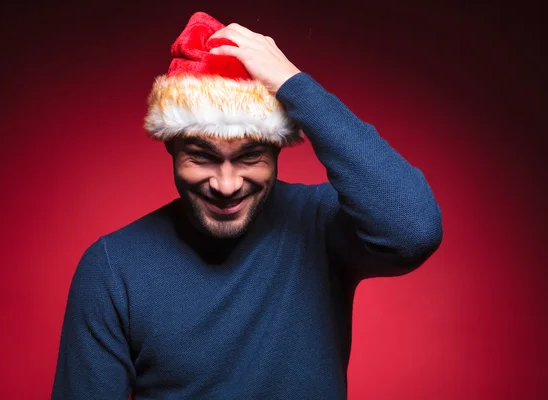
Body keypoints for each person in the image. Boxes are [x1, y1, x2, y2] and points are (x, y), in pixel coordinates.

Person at [51, 11, 443, 400]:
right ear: (170, 147)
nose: (226, 185)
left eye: (250, 156)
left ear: (277, 147)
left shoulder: (320, 225)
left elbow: (413, 229)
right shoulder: (112, 268)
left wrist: (296, 86)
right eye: (202, 156)